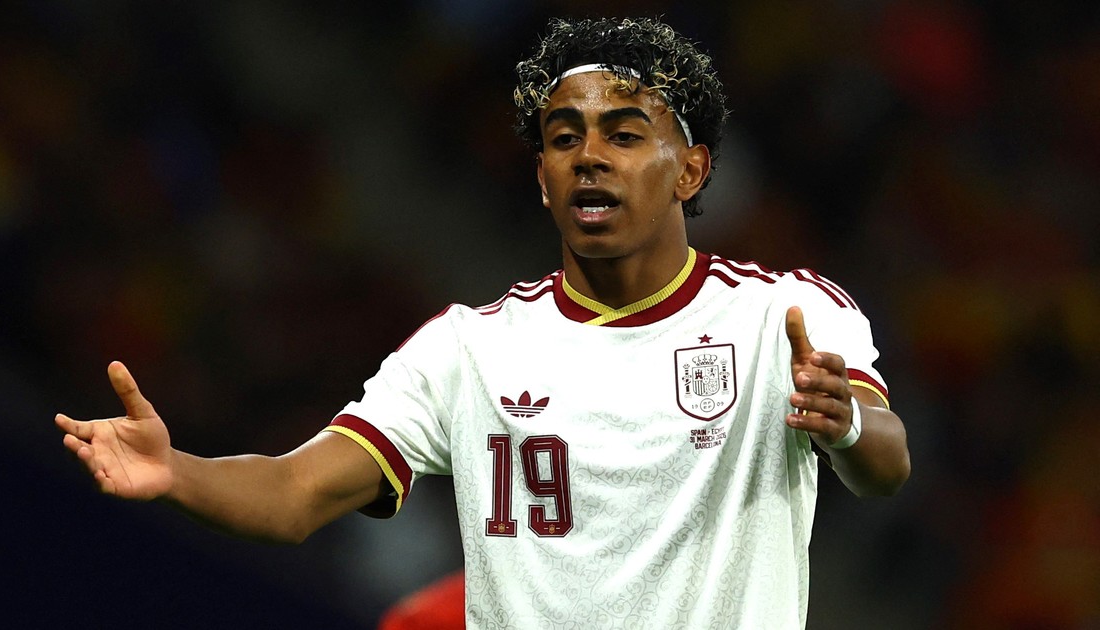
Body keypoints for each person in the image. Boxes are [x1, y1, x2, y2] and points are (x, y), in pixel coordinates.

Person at [57, 16, 910, 629]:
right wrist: (178, 473)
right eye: (563, 138)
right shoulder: (466, 350)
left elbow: (886, 462)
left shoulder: (782, 315)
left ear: (690, 170)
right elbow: (296, 492)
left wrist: (844, 425)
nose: (589, 157)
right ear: (542, 178)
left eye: (623, 135)